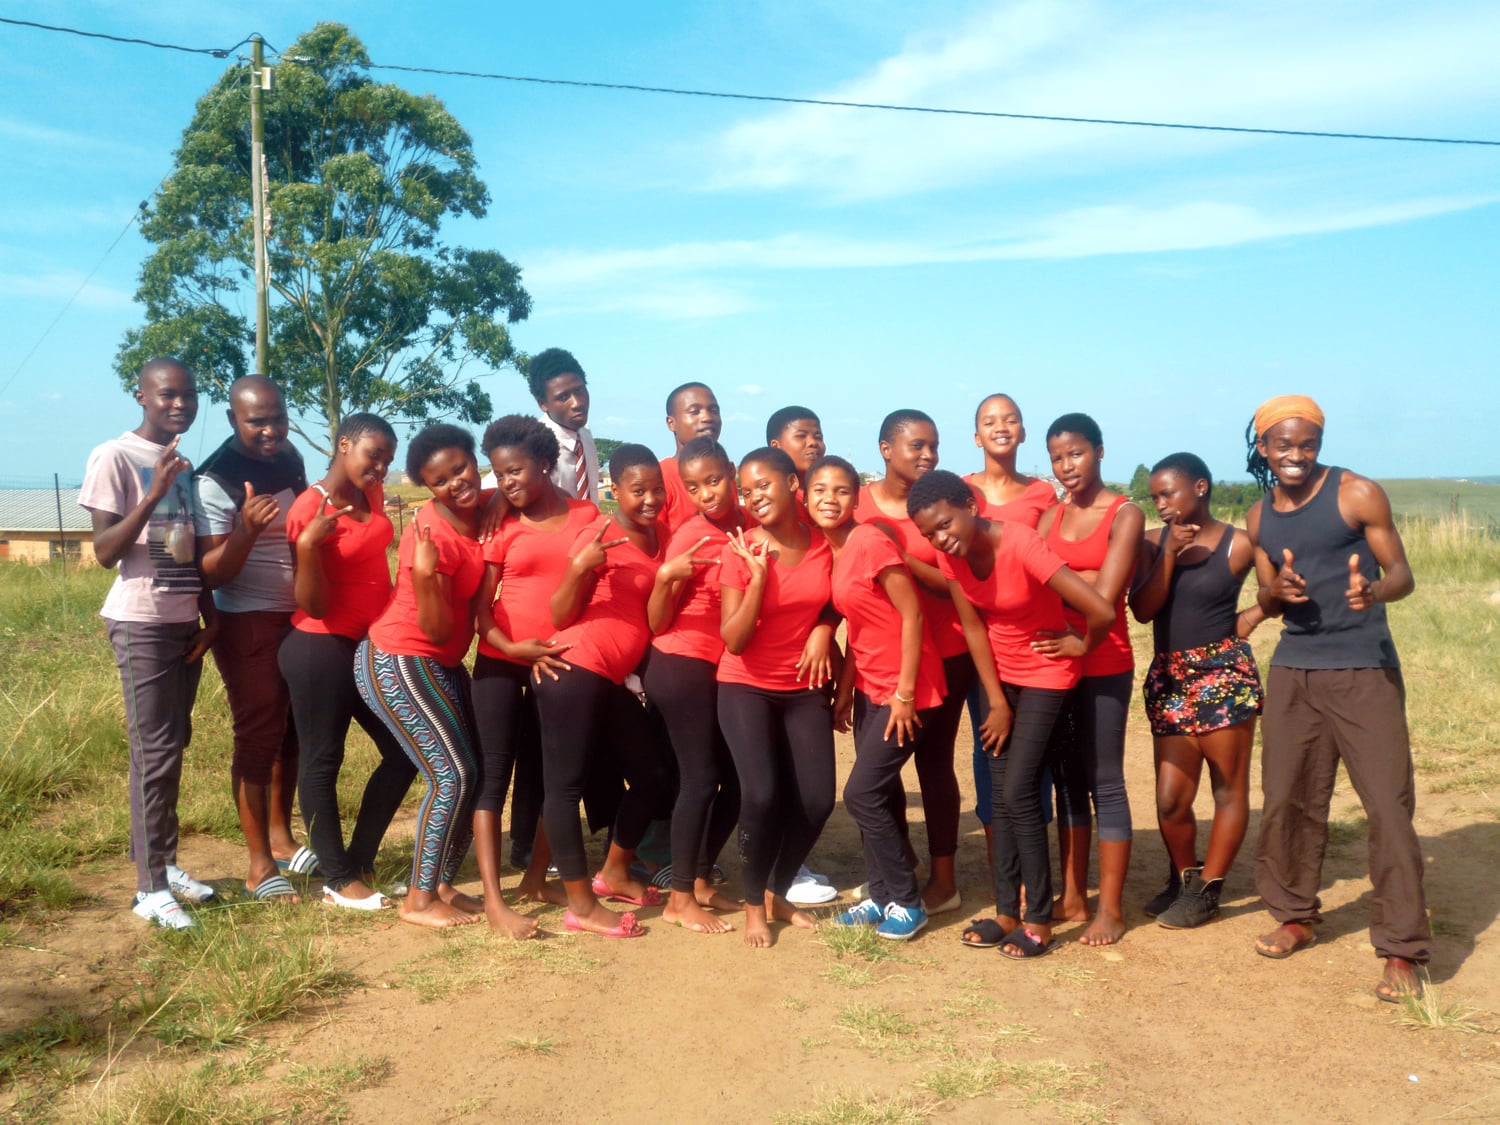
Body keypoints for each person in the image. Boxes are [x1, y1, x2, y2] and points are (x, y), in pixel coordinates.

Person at [1244, 395, 1428, 1002]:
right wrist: (1279, 591)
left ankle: (1402, 948)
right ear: (1263, 447)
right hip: (1295, 670)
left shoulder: (1357, 493)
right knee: (1287, 800)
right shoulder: (1257, 516)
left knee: (1387, 807)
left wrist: (1374, 591)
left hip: (1364, 670)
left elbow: (1402, 573)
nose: (1296, 456)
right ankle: (1295, 913)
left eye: (1308, 444)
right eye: (1284, 445)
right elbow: (1268, 592)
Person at [907, 471, 1112, 960]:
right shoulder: (949, 559)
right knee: (998, 791)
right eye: (929, 533)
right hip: (999, 676)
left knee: (1021, 789)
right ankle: (1005, 912)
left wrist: (1080, 644)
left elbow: (1099, 609)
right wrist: (996, 701)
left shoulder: (1020, 543)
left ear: (971, 508)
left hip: (1045, 674)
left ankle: (1038, 918)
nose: (941, 538)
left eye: (945, 524)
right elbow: (974, 628)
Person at [80, 357, 218, 929]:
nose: (179, 403)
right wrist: (153, 489)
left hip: (182, 621)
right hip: (141, 622)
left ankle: (163, 861)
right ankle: (149, 889)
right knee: (153, 754)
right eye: (166, 395)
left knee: (171, 747)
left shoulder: (182, 462)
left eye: (188, 395)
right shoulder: (113, 456)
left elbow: (187, 552)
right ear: (141, 396)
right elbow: (106, 549)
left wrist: (207, 620)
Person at [529, 444, 675, 939]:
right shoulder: (602, 534)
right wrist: (577, 567)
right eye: (639, 490)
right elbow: (559, 615)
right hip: (573, 669)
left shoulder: (664, 537)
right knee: (565, 788)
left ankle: (614, 871)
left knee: (654, 774)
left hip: (609, 679)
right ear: (616, 490)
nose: (651, 498)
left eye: (657, 487)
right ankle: (580, 905)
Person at [279, 413, 416, 912]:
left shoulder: (370, 494)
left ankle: (359, 860)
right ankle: (336, 879)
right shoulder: (308, 508)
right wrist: (307, 547)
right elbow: (312, 603)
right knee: (322, 762)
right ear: (343, 445)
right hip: (319, 647)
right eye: (372, 454)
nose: (380, 466)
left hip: (366, 646)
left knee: (404, 752)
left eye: (386, 457)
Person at [356, 424, 490, 929]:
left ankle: (442, 885)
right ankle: (417, 898)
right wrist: (422, 575)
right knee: (451, 775)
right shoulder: (428, 536)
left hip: (443, 664)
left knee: (475, 774)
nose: (457, 483)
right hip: (400, 658)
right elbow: (434, 630)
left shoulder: (483, 506)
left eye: (461, 468)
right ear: (428, 489)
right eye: (441, 480)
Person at [471, 414, 598, 936]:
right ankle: (496, 902)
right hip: (502, 659)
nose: (508, 483)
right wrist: (512, 647)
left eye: (516, 471)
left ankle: (535, 879)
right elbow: (482, 611)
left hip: (560, 662)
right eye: (500, 476)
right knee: (493, 779)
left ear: (546, 464)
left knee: (554, 778)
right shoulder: (499, 522)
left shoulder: (587, 515)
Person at [812, 457, 946, 941]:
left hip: (906, 690)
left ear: (856, 498)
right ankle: (881, 895)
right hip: (869, 685)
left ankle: (908, 902)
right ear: (805, 496)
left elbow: (912, 616)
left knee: (861, 794)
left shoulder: (869, 541)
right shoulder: (832, 551)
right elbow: (861, 626)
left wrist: (905, 694)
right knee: (881, 795)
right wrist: (845, 692)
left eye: (842, 490)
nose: (830, 498)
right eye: (821, 489)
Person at [1130, 452, 1264, 928]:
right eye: (1155, 497)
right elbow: (1143, 610)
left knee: (1228, 788)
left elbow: (1274, 590)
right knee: (1171, 797)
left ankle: (1209, 889)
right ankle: (1185, 881)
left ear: (1201, 488)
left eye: (1170, 493)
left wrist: (1247, 621)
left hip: (1223, 676)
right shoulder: (1149, 544)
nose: (1162, 504)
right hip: (1169, 679)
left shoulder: (1240, 543)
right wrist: (1168, 552)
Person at [194, 375, 309, 904]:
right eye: (256, 421)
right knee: (259, 733)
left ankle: (283, 839)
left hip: (297, 614)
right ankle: (259, 865)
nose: (269, 430)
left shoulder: (288, 457)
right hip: (246, 619)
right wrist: (244, 530)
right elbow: (211, 573)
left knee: (292, 730)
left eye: (277, 418)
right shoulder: (215, 480)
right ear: (232, 420)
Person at [853, 409, 971, 916]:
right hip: (877, 663)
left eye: (934, 446)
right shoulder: (856, 503)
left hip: (946, 653)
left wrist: (899, 551)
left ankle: (944, 881)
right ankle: (898, 870)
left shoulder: (940, 502)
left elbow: (961, 581)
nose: (928, 455)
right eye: (916, 446)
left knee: (934, 764)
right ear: (885, 449)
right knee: (880, 775)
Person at [718, 446, 838, 948]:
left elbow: (837, 599)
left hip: (803, 687)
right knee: (762, 795)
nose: (754, 497)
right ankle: (754, 905)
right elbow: (734, 638)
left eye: (763, 485)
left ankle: (778, 890)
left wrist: (826, 629)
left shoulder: (825, 545)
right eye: (746, 491)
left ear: (793, 484)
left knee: (817, 799)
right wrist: (759, 580)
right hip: (744, 684)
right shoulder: (741, 550)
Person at [1038, 413, 1144, 946]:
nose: (1066, 466)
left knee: (1105, 779)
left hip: (1103, 660)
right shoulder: (1050, 516)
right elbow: (1031, 580)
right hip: (1056, 661)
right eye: (1057, 457)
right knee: (1066, 780)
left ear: (1099, 451)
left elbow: (1103, 599)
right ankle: (1074, 895)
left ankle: (1113, 908)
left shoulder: (1126, 513)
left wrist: (1071, 595)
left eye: (1075, 454)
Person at [645, 436, 745, 934]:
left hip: (723, 668)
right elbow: (658, 623)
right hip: (682, 664)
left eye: (714, 480)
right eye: (693, 486)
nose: (707, 493)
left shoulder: (750, 525)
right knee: (701, 779)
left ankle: (701, 879)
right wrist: (665, 578)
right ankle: (679, 897)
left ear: (731, 470)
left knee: (740, 778)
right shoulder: (690, 536)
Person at [961, 394, 1058, 865]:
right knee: (989, 750)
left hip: (1034, 644)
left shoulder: (1042, 495)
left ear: (1022, 432)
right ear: (976, 436)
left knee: (1032, 758)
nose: (1001, 427)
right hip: (981, 645)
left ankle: (1032, 860)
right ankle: (1006, 866)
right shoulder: (961, 494)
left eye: (1011, 419)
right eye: (989, 421)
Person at [529, 347, 599, 503]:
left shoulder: (584, 435)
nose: (577, 403)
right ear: (543, 404)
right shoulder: (531, 447)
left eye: (580, 390)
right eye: (563, 397)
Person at [659, 382, 724, 533]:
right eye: (695, 412)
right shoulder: (660, 478)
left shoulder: (725, 473)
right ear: (671, 423)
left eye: (713, 410)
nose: (707, 417)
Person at [766, 406, 826, 492]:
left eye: (818, 437)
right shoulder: (771, 500)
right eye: (801, 436)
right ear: (775, 447)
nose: (813, 442)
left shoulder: (832, 498)